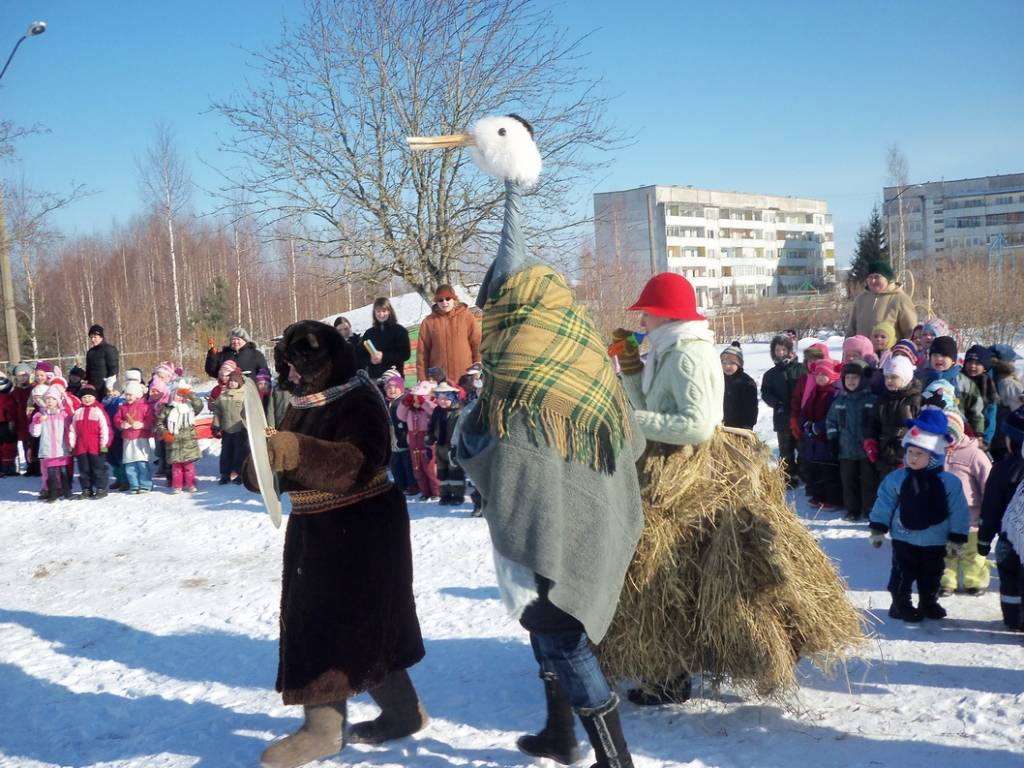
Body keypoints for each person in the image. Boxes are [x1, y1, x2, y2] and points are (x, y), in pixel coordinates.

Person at [247, 320, 426, 768]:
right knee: (351, 625)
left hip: (363, 528)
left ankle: (323, 732)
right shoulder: (303, 402)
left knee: (338, 624)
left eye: (294, 366)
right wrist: (264, 465)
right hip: (317, 528)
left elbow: (358, 463)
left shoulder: (359, 398)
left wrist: (296, 451)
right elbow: (282, 462)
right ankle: (404, 712)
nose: (288, 376)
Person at [869, 409, 970, 622]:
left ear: (934, 457)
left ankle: (928, 602)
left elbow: (958, 510)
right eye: (910, 452)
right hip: (904, 537)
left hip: (935, 539)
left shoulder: (949, 483)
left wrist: (957, 537)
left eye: (919, 454)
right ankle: (900, 603)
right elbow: (885, 502)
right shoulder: (897, 478)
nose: (913, 458)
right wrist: (878, 528)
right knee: (902, 572)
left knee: (932, 574)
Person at [977, 406, 1024, 629]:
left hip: (1008, 538)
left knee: (1010, 579)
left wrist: (984, 539)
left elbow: (992, 507)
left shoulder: (1003, 469)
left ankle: (1013, 618)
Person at [939, 410, 993, 596]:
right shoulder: (935, 453)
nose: (946, 439)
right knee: (947, 551)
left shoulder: (974, 454)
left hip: (971, 515)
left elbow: (987, 481)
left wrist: (988, 508)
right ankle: (947, 581)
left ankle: (974, 581)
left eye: (950, 434)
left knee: (972, 552)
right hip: (943, 513)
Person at [827, 361, 878, 521]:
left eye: (855, 377)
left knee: (868, 481)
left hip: (866, 451)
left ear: (863, 379)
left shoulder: (872, 400)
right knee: (849, 482)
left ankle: (868, 508)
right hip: (846, 450)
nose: (850, 381)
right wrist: (833, 439)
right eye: (847, 377)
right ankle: (852, 509)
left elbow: (878, 422)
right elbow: (831, 422)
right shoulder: (839, 402)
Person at [864, 355, 923, 481]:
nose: (889, 381)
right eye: (886, 377)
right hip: (885, 453)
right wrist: (870, 441)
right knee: (887, 490)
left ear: (905, 378)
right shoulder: (882, 399)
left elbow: (921, 428)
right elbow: (873, 422)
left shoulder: (915, 400)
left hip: (907, 455)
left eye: (894, 377)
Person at [760, 334, 804, 488]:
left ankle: (803, 472)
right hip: (782, 417)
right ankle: (788, 477)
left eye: (783, 349)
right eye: (777, 350)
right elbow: (765, 392)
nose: (780, 353)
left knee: (803, 447)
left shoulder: (800, 369)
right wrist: (777, 403)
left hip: (800, 417)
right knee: (786, 451)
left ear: (789, 350)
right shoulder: (770, 374)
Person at [920, 336, 985, 438]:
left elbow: (976, 410)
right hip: (925, 428)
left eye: (944, 355)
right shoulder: (921, 378)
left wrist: (978, 433)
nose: (939, 358)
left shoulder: (963, 382)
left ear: (953, 360)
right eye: (935, 355)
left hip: (956, 429)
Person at [800, 358, 843, 509]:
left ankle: (832, 499)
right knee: (816, 469)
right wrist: (805, 423)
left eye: (823, 374)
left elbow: (833, 416)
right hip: (813, 440)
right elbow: (804, 410)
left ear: (832, 376)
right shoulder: (814, 392)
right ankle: (817, 495)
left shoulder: (835, 394)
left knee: (829, 471)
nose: (819, 377)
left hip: (826, 438)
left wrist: (818, 427)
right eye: (817, 374)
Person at [415, 285, 481, 382]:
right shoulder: (429, 322)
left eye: (448, 298)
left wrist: (477, 368)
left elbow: (477, 344)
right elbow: (422, 354)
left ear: (454, 299)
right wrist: (422, 379)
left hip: (465, 377)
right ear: (436, 302)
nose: (444, 302)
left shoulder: (467, 317)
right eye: (440, 300)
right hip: (439, 381)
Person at [846, 260, 917, 341]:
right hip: (863, 353)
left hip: (891, 352)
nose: (873, 281)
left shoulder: (900, 299)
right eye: (870, 277)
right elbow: (851, 330)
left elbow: (911, 332)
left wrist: (904, 351)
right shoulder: (861, 299)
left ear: (887, 279)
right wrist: (847, 350)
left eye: (877, 277)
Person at [155, 379, 203, 493]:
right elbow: (159, 423)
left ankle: (190, 483)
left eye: (183, 396)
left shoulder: (190, 408)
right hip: (173, 443)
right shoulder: (167, 409)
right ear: (172, 395)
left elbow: (199, 404)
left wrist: (189, 393)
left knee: (189, 466)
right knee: (176, 467)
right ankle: (177, 485)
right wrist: (165, 433)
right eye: (178, 395)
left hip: (188, 443)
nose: (181, 398)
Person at [397, 381, 440, 500]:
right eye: (414, 398)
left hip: (426, 439)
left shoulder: (430, 406)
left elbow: (434, 411)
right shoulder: (410, 410)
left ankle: (436, 491)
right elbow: (400, 416)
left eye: (419, 398)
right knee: (417, 468)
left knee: (429, 468)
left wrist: (423, 402)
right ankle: (425, 491)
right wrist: (405, 403)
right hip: (413, 440)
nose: (416, 401)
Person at [68, 383, 113, 499]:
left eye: (89, 397)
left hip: (96, 446)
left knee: (98, 468)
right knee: (84, 469)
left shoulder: (98, 411)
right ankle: (86, 489)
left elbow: (105, 429)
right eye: (84, 397)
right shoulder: (78, 412)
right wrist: (72, 444)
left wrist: (104, 445)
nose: (87, 399)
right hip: (81, 446)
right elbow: (72, 430)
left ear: (94, 397)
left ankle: (101, 488)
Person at [29, 385, 73, 502]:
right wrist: (37, 422)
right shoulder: (40, 416)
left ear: (57, 401)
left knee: (63, 472)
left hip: (62, 448)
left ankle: (67, 492)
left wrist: (71, 444)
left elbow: (70, 429)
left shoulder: (63, 415)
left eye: (53, 399)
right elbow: (35, 433)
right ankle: (53, 493)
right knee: (51, 474)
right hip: (48, 450)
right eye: (47, 399)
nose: (49, 401)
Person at [426, 381, 465, 505]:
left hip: (454, 447)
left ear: (452, 397)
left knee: (455, 472)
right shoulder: (438, 411)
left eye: (445, 398)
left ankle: (458, 495)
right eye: (439, 398)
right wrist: (430, 436)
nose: (442, 401)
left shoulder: (459, 411)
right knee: (442, 472)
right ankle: (445, 495)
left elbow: (463, 430)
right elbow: (431, 425)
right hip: (440, 447)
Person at [382, 368, 417, 496]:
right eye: (389, 387)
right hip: (392, 441)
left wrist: (408, 434)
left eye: (395, 387)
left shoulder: (403, 401)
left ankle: (412, 485)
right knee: (396, 466)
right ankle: (400, 485)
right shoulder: (386, 402)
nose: (392, 389)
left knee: (408, 465)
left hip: (403, 439)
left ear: (401, 388)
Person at [115, 380, 155, 493]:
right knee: (129, 463)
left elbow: (151, 421)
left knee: (142, 462)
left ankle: (145, 484)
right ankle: (134, 484)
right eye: (126, 394)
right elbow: (117, 419)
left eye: (130, 394)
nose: (128, 397)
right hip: (128, 439)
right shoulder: (123, 407)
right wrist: (122, 424)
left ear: (137, 394)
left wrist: (142, 425)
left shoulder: (145, 406)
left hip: (140, 438)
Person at [358, 298, 412, 380]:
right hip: (374, 378)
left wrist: (383, 356)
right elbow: (361, 356)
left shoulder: (400, 330)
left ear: (389, 311)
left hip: (394, 377)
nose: (381, 314)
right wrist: (370, 360)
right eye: (378, 311)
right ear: (374, 313)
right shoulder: (369, 333)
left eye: (384, 311)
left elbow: (405, 355)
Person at [212, 369, 249, 485]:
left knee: (240, 453)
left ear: (239, 383)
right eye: (230, 381)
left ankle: (240, 474)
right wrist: (216, 424)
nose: (232, 383)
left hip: (240, 429)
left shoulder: (244, 395)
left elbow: (249, 412)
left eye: (235, 381)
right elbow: (217, 410)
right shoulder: (223, 395)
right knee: (226, 452)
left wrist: (247, 426)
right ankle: (225, 474)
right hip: (226, 429)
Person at [989, 343, 1024, 462]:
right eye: (1013, 361)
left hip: (991, 439)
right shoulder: (1011, 385)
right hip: (1008, 441)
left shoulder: (986, 379)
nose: (1014, 364)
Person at [961, 345, 999, 451]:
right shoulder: (958, 380)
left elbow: (990, 417)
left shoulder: (988, 385)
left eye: (977, 363)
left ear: (985, 367)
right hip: (960, 432)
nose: (972, 366)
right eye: (970, 362)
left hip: (979, 436)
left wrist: (985, 440)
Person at [204, 327, 269, 381]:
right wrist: (212, 357)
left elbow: (264, 373)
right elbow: (212, 372)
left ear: (245, 340)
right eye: (233, 339)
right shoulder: (224, 354)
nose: (235, 342)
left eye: (238, 339)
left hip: (249, 391)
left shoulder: (255, 354)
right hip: (228, 391)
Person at [720, 342, 758, 430]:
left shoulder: (747, 382)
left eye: (731, 363)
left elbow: (751, 408)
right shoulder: (718, 379)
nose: (727, 366)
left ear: (739, 364)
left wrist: (748, 426)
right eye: (724, 363)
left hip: (740, 428)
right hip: (721, 427)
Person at [84, 324, 119, 401]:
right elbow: (89, 370)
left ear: (101, 337)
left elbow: (113, 369)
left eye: (95, 337)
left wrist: (110, 386)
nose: (93, 339)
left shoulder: (109, 350)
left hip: (106, 386)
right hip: (93, 387)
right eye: (91, 337)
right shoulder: (90, 352)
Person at [0, 373, 17, 476]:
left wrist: (11, 421)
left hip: (6, 423)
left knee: (8, 446)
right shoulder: (9, 397)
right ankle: (6, 466)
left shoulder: (9, 396)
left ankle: (8, 466)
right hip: (5, 422)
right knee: (7, 446)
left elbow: (11, 410)